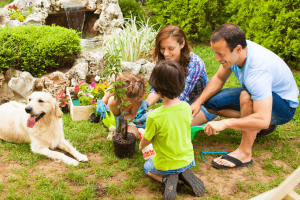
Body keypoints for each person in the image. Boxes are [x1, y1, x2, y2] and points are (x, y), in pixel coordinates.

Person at [191, 23, 299, 169]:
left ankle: (244, 153)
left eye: (221, 54)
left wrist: (224, 123)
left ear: (238, 49)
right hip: (262, 98)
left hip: (284, 107)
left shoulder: (257, 71)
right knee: (211, 103)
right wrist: (198, 102)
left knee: (246, 96)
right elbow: (218, 79)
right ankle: (256, 126)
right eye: (215, 53)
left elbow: (262, 118)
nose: (216, 59)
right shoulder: (238, 51)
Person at [139, 60, 205, 200]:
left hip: (165, 165)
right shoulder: (187, 107)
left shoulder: (154, 117)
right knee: (180, 165)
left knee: (147, 167)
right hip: (188, 159)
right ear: (182, 85)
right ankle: (183, 173)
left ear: (156, 88)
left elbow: (146, 139)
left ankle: (166, 179)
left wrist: (141, 146)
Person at [135, 25, 217, 128]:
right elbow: (158, 88)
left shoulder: (195, 64)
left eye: (171, 48)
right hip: (182, 105)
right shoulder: (164, 61)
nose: (165, 53)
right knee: (161, 123)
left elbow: (180, 97)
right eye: (162, 48)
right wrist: (146, 103)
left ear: (182, 44)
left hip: (204, 106)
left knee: (168, 127)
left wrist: (154, 115)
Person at [101, 73, 147, 139]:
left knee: (132, 135)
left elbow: (132, 115)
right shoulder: (114, 89)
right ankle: (113, 127)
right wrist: (101, 108)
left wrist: (121, 119)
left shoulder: (138, 100)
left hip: (128, 116)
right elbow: (104, 100)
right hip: (115, 110)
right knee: (112, 100)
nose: (128, 103)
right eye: (125, 100)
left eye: (132, 101)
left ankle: (122, 127)